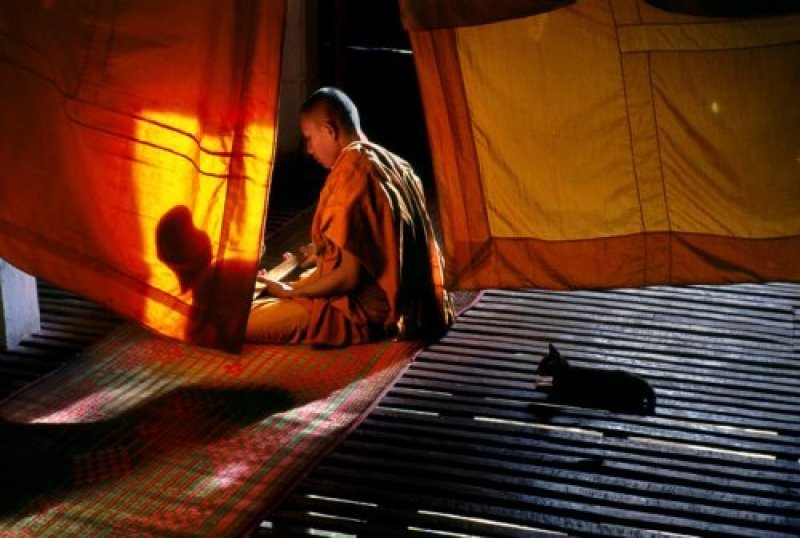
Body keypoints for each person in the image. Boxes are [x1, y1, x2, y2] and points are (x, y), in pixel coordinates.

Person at [246, 87, 454, 346]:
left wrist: (293, 291)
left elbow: (348, 278)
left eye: (309, 137)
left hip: (359, 312)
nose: (309, 149)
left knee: (237, 319)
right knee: (265, 288)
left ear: (329, 131)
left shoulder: (352, 174)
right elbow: (376, 236)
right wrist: (321, 250)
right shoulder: (394, 163)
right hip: (395, 298)